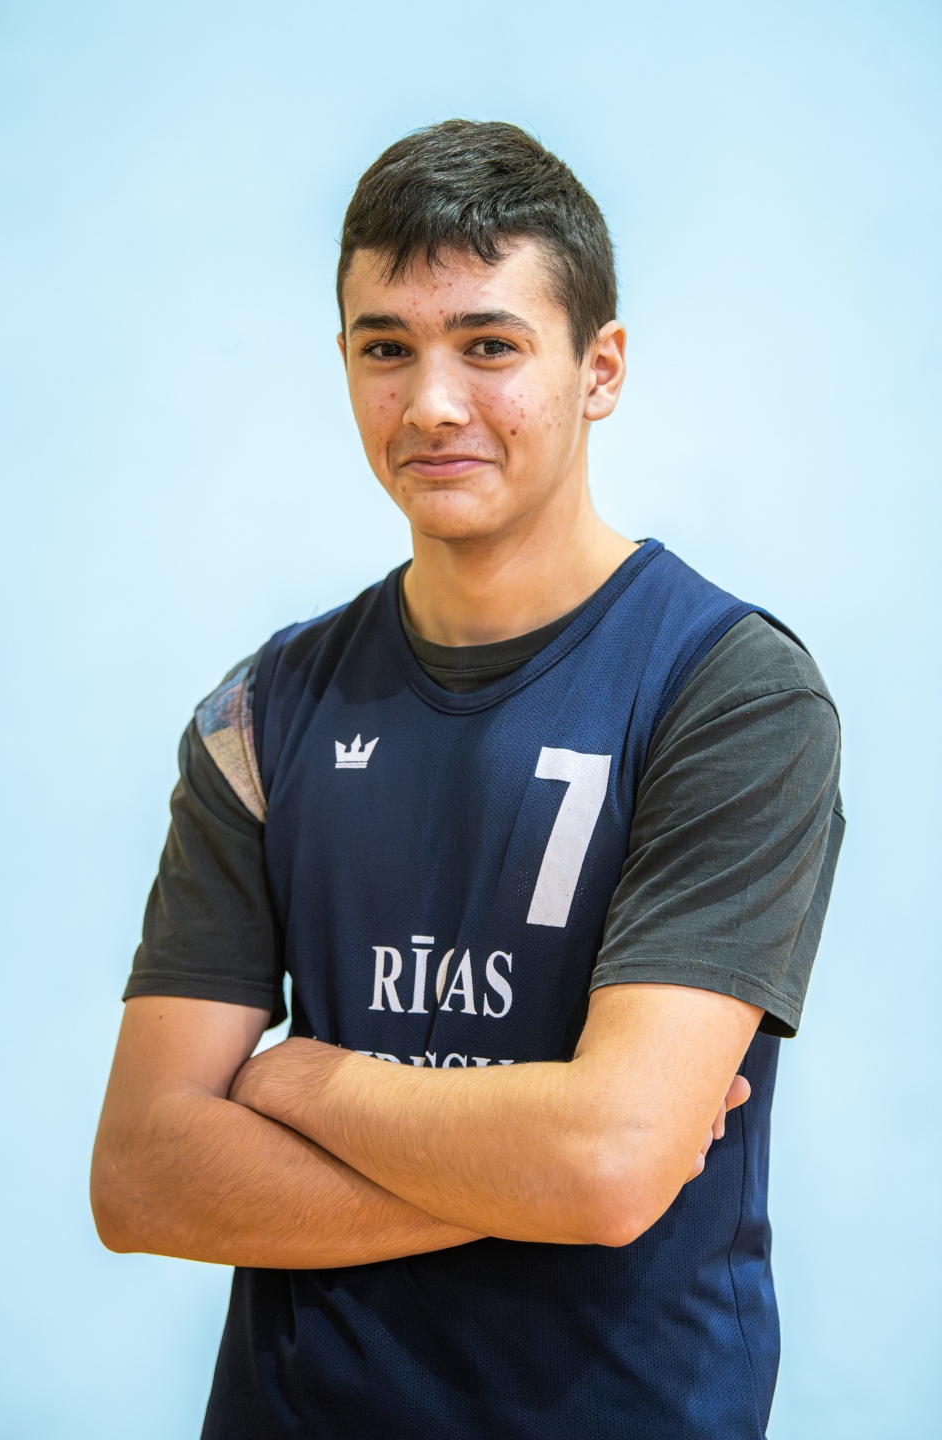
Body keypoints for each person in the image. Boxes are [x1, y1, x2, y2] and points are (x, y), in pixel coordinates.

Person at [91, 120, 844, 1440]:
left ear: (600, 369)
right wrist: (547, 1168)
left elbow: (609, 1164)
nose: (432, 403)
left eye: (489, 345)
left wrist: (302, 1084)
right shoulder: (262, 712)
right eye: (386, 348)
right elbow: (142, 1177)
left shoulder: (729, 692)